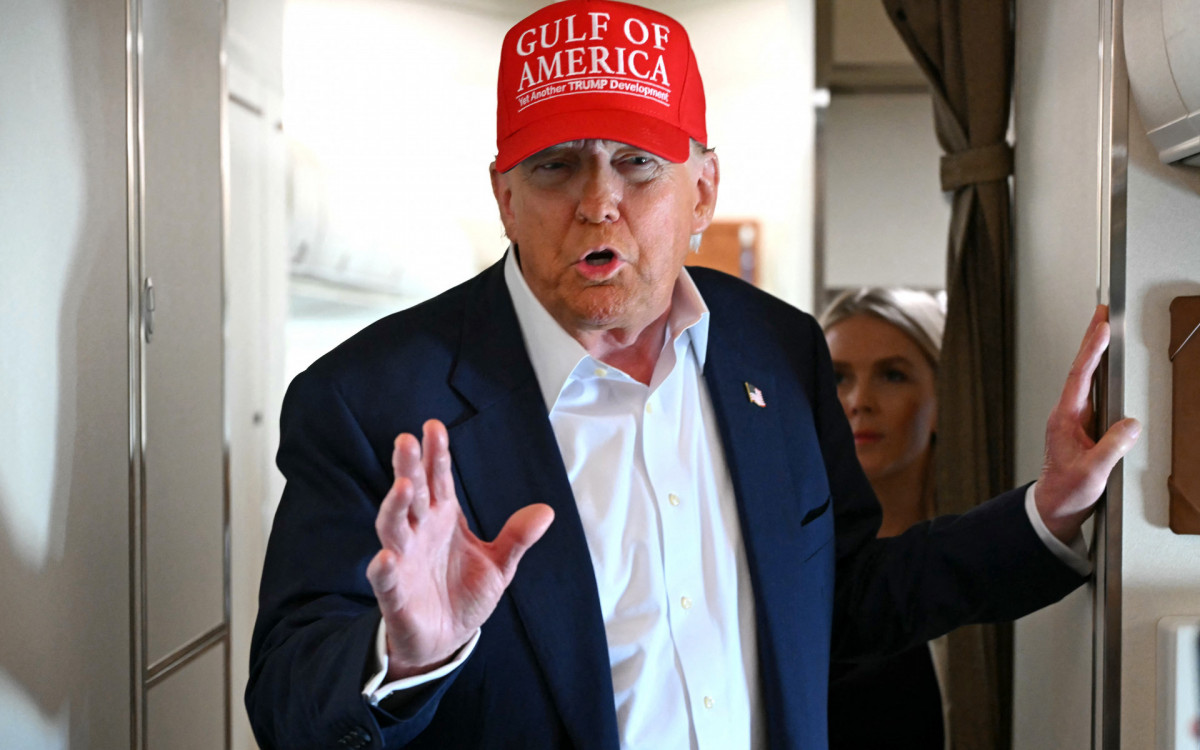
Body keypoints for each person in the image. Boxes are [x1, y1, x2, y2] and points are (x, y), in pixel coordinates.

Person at [244, 2, 1141, 748]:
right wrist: (403, 660)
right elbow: (287, 699)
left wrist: (1047, 513)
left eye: (637, 163)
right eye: (556, 167)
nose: (598, 202)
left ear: (703, 190)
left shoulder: (777, 350)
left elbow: (841, 600)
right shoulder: (367, 402)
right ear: (505, 198)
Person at [820, 288, 949, 748]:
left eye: (892, 376)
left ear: (941, 398)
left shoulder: (973, 558)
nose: (859, 401)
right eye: (837, 378)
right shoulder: (791, 564)